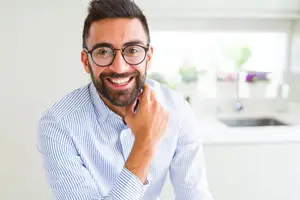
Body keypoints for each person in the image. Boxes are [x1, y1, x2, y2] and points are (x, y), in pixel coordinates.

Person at [37, 0, 214, 199]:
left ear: (148, 57)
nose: (120, 67)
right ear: (86, 62)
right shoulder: (58, 125)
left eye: (132, 50)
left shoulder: (177, 109)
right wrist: (145, 143)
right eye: (103, 52)